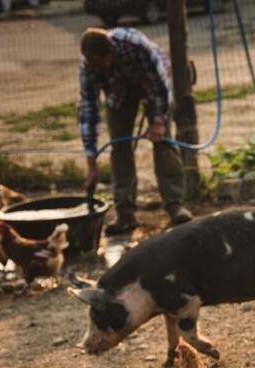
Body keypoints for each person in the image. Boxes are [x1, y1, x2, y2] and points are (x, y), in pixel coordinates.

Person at [78, 27, 192, 233]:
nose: (97, 69)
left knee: (163, 141)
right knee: (119, 145)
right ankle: (125, 213)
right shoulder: (88, 67)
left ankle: (175, 203)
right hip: (118, 92)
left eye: (100, 64)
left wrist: (157, 122)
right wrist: (91, 162)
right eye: (92, 65)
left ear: (109, 53)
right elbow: (88, 111)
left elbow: (160, 87)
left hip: (152, 84)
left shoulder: (136, 47)